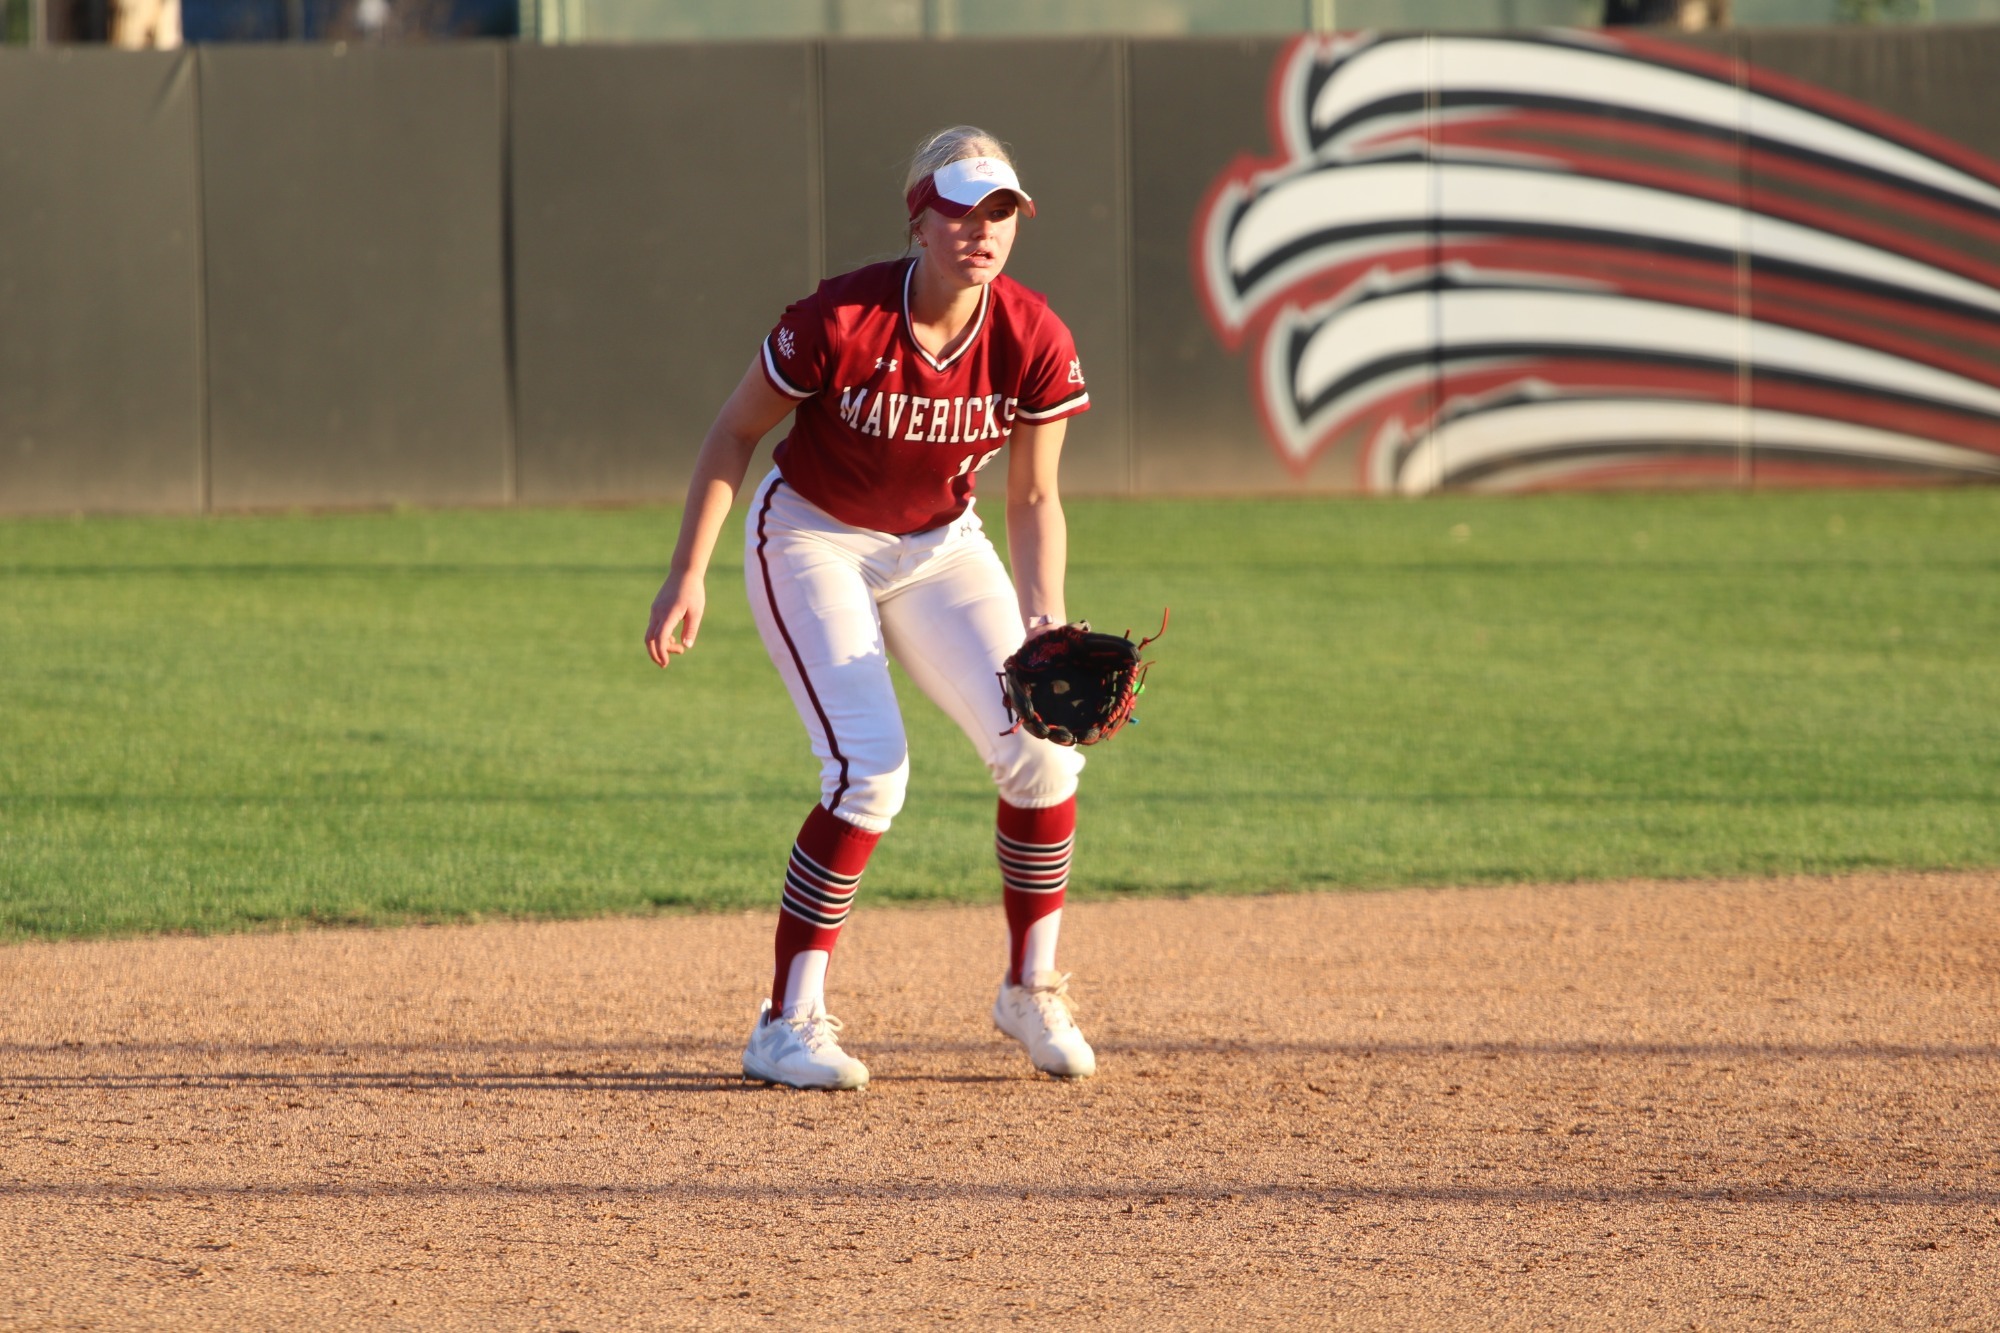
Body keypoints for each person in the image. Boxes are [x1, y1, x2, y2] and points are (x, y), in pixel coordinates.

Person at [644, 126, 1098, 1091]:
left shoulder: (1032, 336)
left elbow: (1032, 497)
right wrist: (689, 569)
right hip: (811, 534)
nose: (983, 229)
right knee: (869, 771)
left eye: (1002, 211)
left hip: (940, 546)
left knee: (1046, 747)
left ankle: (1030, 987)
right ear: (919, 218)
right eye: (964, 208)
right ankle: (785, 1021)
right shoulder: (839, 319)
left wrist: (1045, 620)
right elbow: (734, 434)